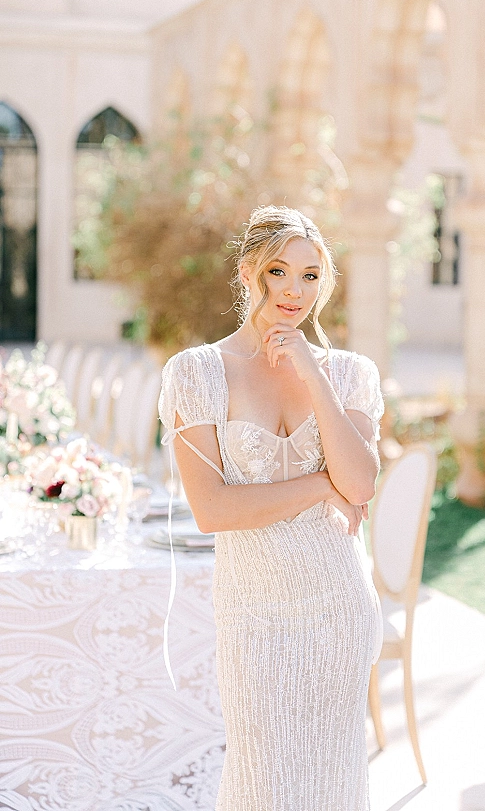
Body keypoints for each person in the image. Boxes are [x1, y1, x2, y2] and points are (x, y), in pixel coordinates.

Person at [158, 205, 384, 811]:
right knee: (262, 783)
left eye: (311, 275)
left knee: (335, 784)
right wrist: (318, 488)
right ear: (246, 271)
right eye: (278, 271)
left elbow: (359, 484)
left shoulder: (349, 374)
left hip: (339, 607)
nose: (294, 290)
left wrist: (313, 375)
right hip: (254, 613)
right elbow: (213, 510)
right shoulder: (198, 374)